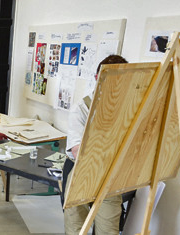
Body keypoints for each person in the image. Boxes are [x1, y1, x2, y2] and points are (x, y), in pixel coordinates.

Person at [62, 55, 128, 235]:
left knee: (109, 229)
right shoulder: (82, 108)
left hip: (109, 176)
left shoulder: (128, 108)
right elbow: (77, 151)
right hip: (81, 172)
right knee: (76, 229)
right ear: (97, 78)